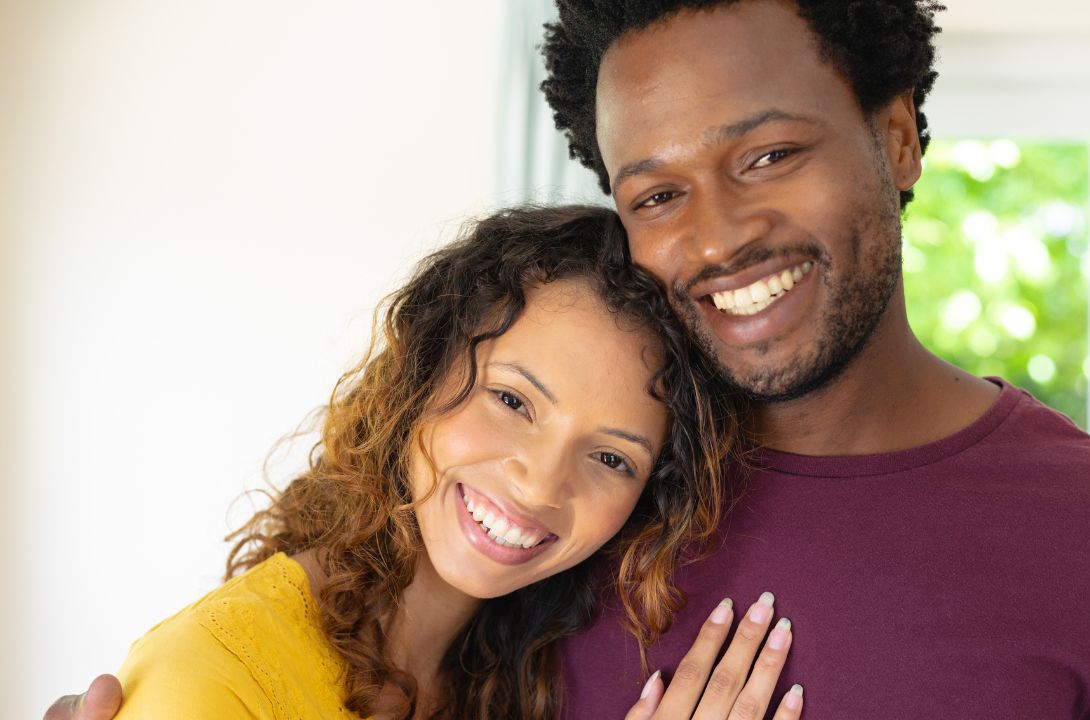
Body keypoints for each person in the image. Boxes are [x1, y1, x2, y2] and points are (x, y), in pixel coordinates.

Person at [51, 0, 1090, 718]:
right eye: (657, 193)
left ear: (895, 137)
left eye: (765, 156)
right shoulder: (529, 540)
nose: (715, 237)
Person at [47, 204, 814, 720]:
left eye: (612, 457)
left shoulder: (508, 680)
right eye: (512, 400)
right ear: (420, 373)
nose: (539, 484)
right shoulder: (216, 677)